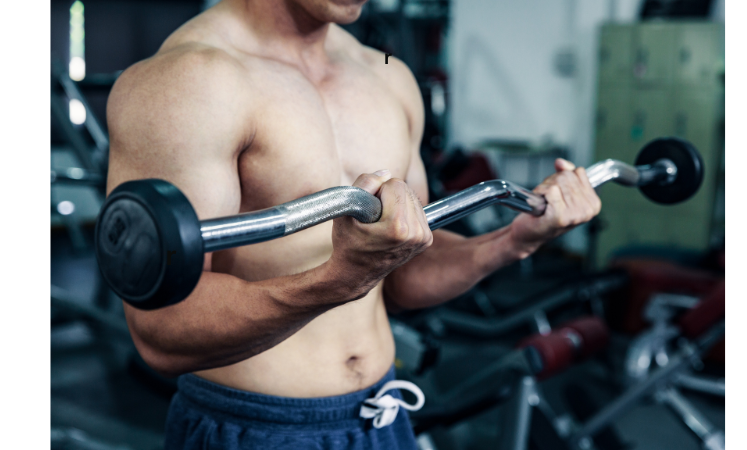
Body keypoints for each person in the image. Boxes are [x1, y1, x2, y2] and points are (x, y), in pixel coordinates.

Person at [105, 0, 601, 448]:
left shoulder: (387, 75)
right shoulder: (188, 80)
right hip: (257, 428)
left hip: (382, 417)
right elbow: (161, 331)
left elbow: (408, 271)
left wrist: (513, 240)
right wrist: (341, 278)